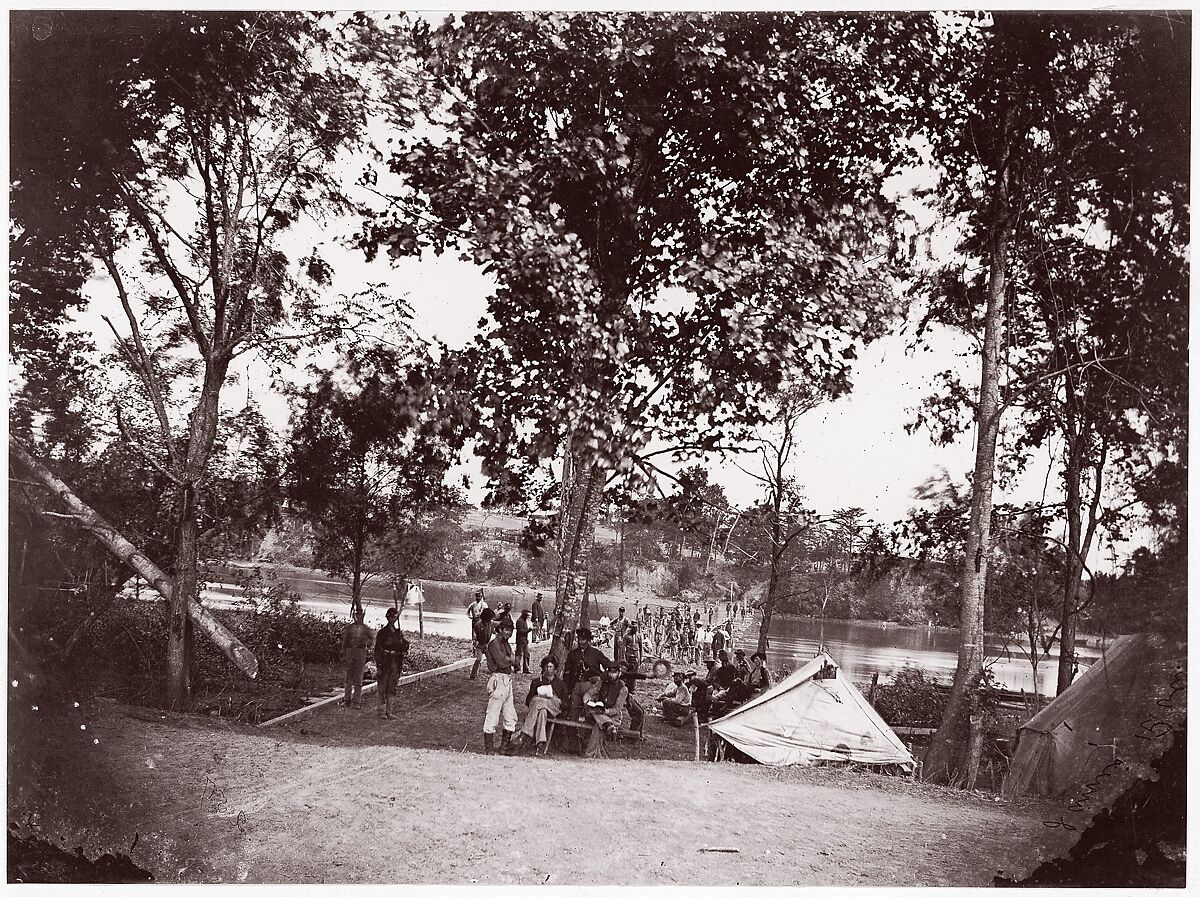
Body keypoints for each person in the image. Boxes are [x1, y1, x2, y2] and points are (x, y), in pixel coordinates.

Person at [514, 656, 568, 753]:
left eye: (551, 667)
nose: (548, 669)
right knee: (541, 710)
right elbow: (528, 701)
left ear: (555, 668)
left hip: (554, 710)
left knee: (538, 701)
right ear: (543, 668)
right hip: (540, 709)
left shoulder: (560, 684)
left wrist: (554, 699)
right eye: (546, 667)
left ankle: (524, 734)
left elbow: (565, 704)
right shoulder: (537, 681)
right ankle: (540, 743)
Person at [482, 618, 517, 754]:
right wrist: (512, 660)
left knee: (510, 716)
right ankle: (489, 749)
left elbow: (516, 662)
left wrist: (512, 660)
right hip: (498, 679)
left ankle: (504, 748)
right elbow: (502, 662)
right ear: (500, 630)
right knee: (493, 714)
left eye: (510, 630)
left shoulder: (506, 645)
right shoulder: (494, 644)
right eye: (506, 630)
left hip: (507, 680)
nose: (508, 633)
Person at [563, 628, 615, 721]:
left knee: (589, 711)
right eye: (579, 639)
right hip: (576, 686)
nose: (580, 642)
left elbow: (611, 667)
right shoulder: (573, 654)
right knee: (572, 710)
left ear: (588, 641)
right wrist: (567, 689)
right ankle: (572, 734)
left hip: (591, 686)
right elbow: (567, 673)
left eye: (583, 639)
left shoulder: (596, 653)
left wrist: (600, 677)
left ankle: (587, 733)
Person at [582, 667, 628, 756]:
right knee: (597, 718)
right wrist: (587, 700)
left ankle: (589, 754)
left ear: (619, 673)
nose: (611, 675)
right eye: (610, 672)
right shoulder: (602, 683)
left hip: (613, 717)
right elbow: (590, 693)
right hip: (600, 715)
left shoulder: (623, 689)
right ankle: (608, 724)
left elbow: (617, 709)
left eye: (614, 673)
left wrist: (605, 711)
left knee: (598, 725)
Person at [374, 607, 408, 719]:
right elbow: (377, 650)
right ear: (388, 617)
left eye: (395, 617)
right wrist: (379, 665)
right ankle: (381, 712)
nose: (393, 619)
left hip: (395, 664)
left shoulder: (398, 633)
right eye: (391, 617)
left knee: (392, 688)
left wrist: (404, 645)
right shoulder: (382, 633)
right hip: (385, 664)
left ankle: (389, 711)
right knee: (382, 688)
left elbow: (403, 647)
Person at [341, 605, 373, 708]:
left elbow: (372, 639)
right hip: (350, 652)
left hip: (360, 652)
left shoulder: (366, 628)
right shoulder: (350, 628)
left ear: (363, 616)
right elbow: (345, 641)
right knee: (348, 678)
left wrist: (366, 644)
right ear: (354, 615)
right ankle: (347, 700)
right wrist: (344, 653)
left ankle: (356, 701)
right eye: (356, 615)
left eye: (360, 615)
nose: (358, 617)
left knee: (358, 678)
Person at [469, 608, 495, 680]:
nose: (489, 620)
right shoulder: (478, 625)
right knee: (478, 659)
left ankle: (494, 674)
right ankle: (473, 675)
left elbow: (495, 629)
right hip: (480, 645)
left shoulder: (491, 623)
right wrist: (475, 643)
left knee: (491, 660)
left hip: (487, 645)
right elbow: (475, 635)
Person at [514, 609, 532, 673]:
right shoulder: (519, 621)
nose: (527, 617)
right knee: (519, 654)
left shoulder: (523, 621)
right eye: (527, 616)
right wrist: (528, 630)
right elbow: (520, 631)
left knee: (526, 655)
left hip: (524, 640)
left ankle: (526, 669)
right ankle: (517, 669)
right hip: (520, 640)